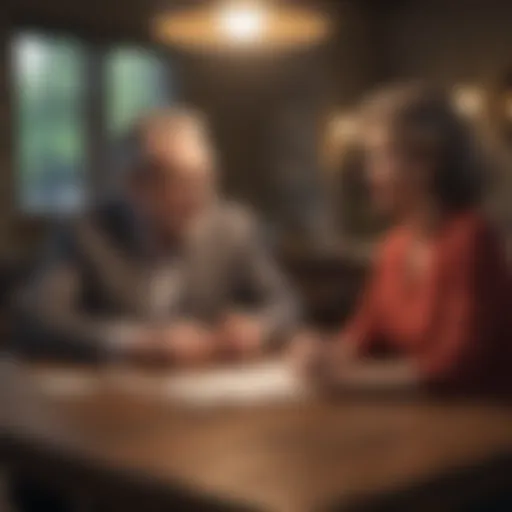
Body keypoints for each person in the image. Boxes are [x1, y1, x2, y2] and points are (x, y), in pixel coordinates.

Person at [12, 108, 298, 365]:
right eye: (181, 182)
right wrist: (135, 341)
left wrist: (256, 327)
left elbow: (285, 304)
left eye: (205, 180)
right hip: (111, 406)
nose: (200, 197)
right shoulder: (85, 232)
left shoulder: (233, 228)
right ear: (135, 185)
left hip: (205, 400)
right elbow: (38, 320)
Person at [293, 84, 512, 395]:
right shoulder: (394, 246)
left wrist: (347, 379)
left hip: (489, 425)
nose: (370, 175)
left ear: (426, 162)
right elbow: (364, 339)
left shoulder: (471, 238)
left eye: (381, 157)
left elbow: (452, 367)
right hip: (427, 423)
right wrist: (322, 352)